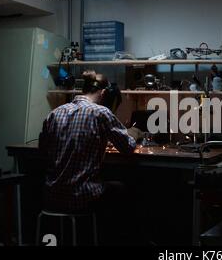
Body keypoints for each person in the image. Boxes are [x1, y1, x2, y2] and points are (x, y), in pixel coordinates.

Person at [39, 70, 144, 245]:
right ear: (103, 93)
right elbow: (127, 147)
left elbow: (43, 151)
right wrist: (133, 133)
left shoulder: (54, 114)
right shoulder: (101, 113)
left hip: (51, 195)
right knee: (123, 188)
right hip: (81, 196)